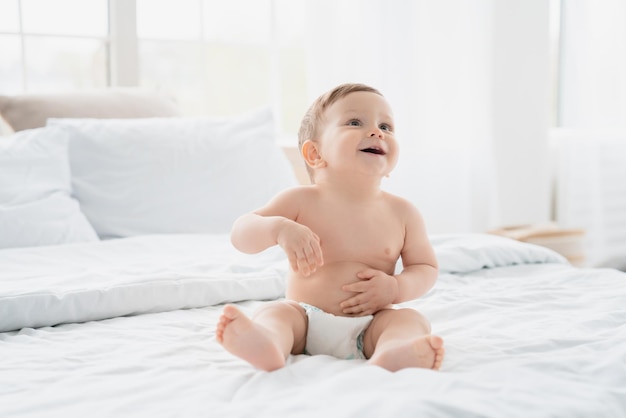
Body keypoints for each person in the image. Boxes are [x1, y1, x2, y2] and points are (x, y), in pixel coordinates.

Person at [216, 83, 445, 372]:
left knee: (409, 320)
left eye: (386, 126)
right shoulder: (299, 200)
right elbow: (242, 233)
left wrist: (396, 287)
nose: (377, 132)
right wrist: (278, 229)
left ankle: (393, 353)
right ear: (315, 154)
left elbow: (425, 267)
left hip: (371, 324)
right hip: (306, 319)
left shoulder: (404, 213)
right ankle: (269, 343)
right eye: (354, 122)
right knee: (275, 313)